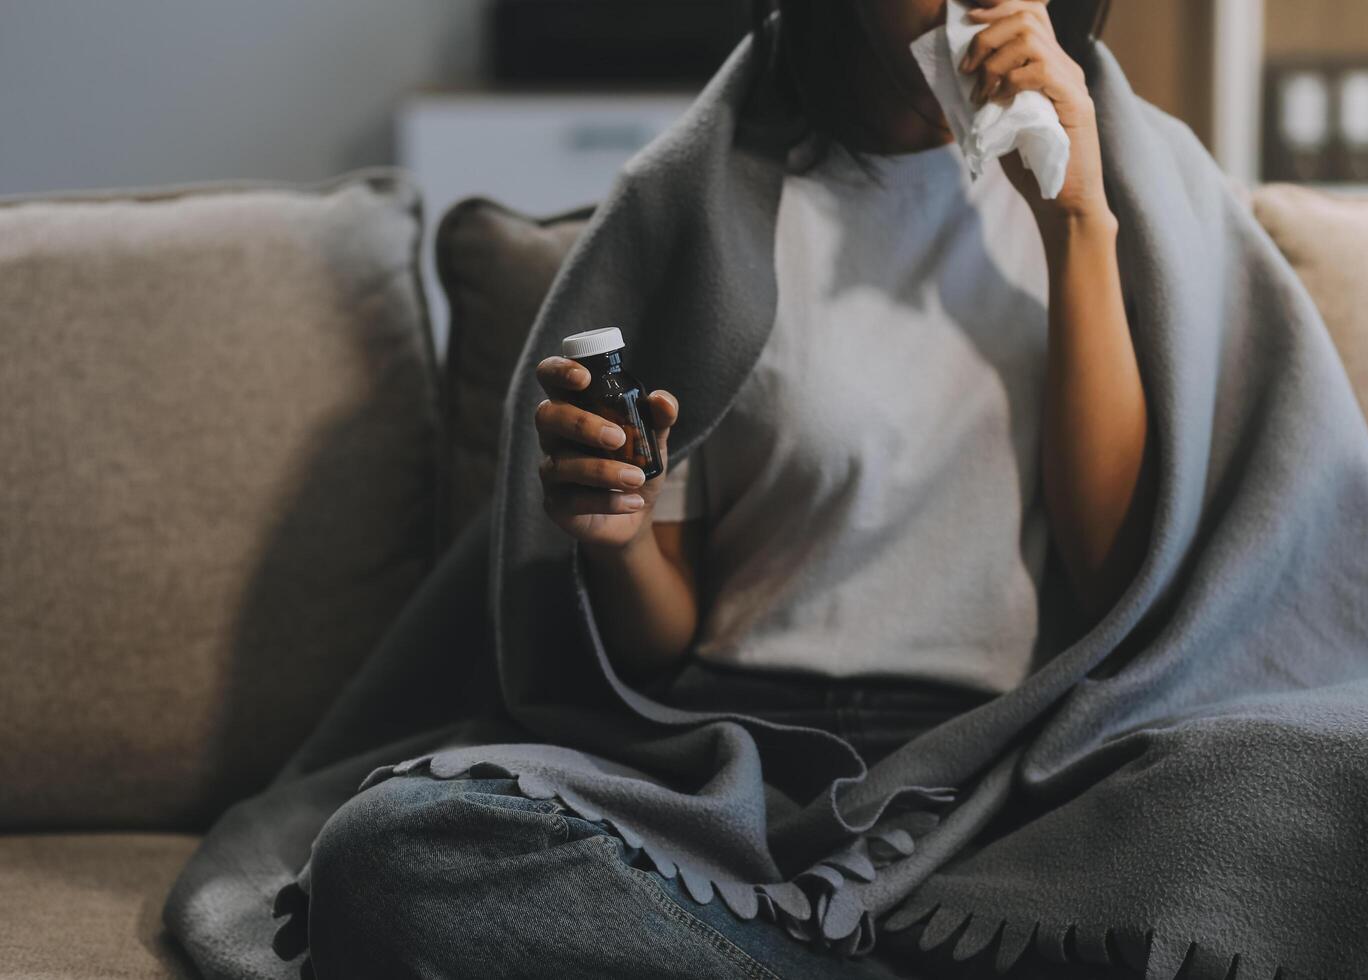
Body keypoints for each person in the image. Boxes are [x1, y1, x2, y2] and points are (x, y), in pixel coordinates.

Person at [304, 1, 1150, 976]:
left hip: (986, 780)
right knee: (388, 851)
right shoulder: (707, 202)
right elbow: (663, 637)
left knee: (1265, 837)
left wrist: (1078, 217)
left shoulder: (1115, 180)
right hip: (735, 774)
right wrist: (616, 540)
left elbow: (1121, 571)